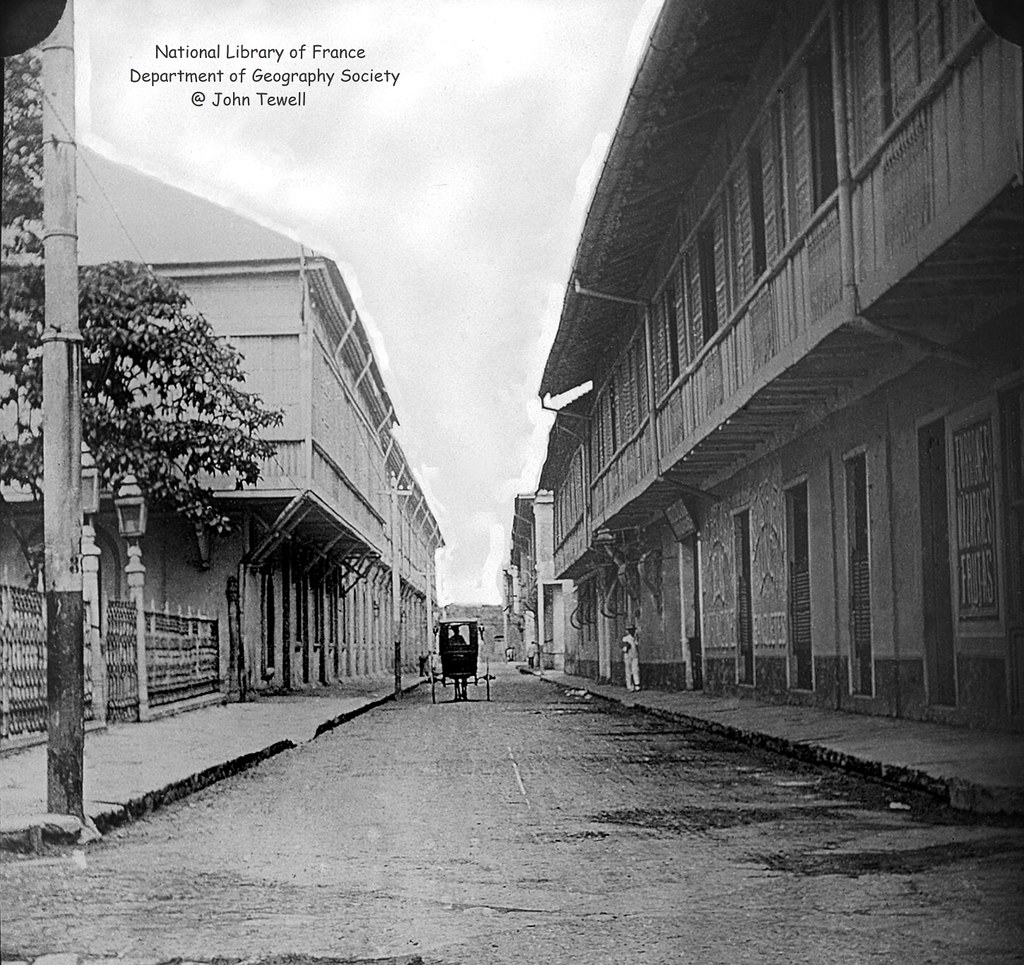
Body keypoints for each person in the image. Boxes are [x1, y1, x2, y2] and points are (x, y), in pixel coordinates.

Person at [622, 625, 641, 692]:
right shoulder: (626, 638)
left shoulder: (635, 638)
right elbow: (624, 648)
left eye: (633, 630)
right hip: (628, 656)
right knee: (628, 671)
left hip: (635, 656)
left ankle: (637, 685)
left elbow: (637, 646)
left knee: (635, 670)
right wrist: (626, 647)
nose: (632, 632)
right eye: (630, 630)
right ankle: (629, 686)